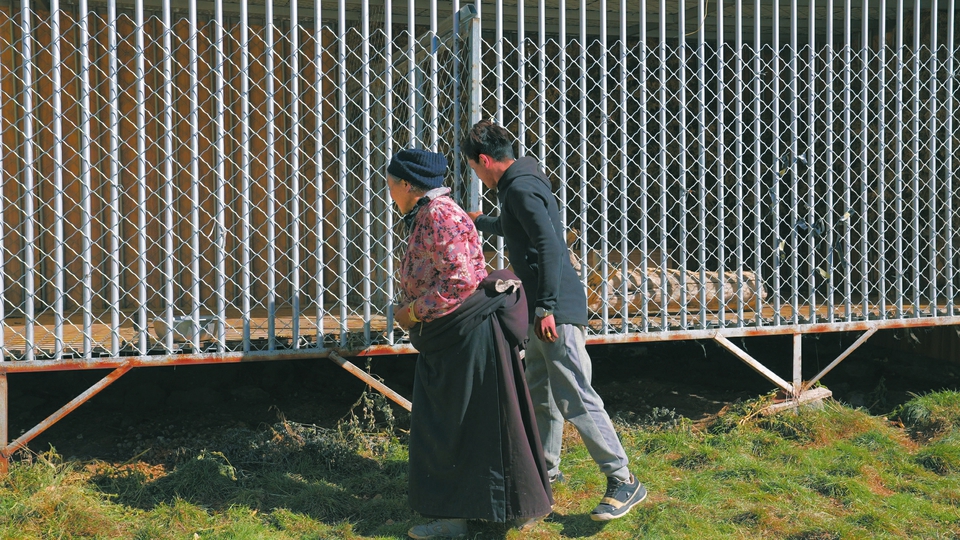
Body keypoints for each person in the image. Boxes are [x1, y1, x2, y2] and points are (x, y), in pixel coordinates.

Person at [462, 120, 647, 522]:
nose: (477, 176)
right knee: (541, 391)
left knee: (575, 393)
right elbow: (516, 228)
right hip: (543, 307)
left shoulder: (520, 188)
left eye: (474, 168)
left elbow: (548, 244)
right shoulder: (519, 184)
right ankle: (545, 471)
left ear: (485, 160)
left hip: (555, 309)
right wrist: (480, 221)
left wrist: (546, 307)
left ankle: (623, 479)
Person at [387, 148, 553, 539]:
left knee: (452, 425)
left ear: (407, 184)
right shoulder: (430, 213)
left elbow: (460, 282)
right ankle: (500, 510)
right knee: (474, 424)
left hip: (463, 335)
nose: (389, 191)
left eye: (391, 184)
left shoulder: (440, 215)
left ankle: (455, 519)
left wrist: (413, 312)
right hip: (457, 334)